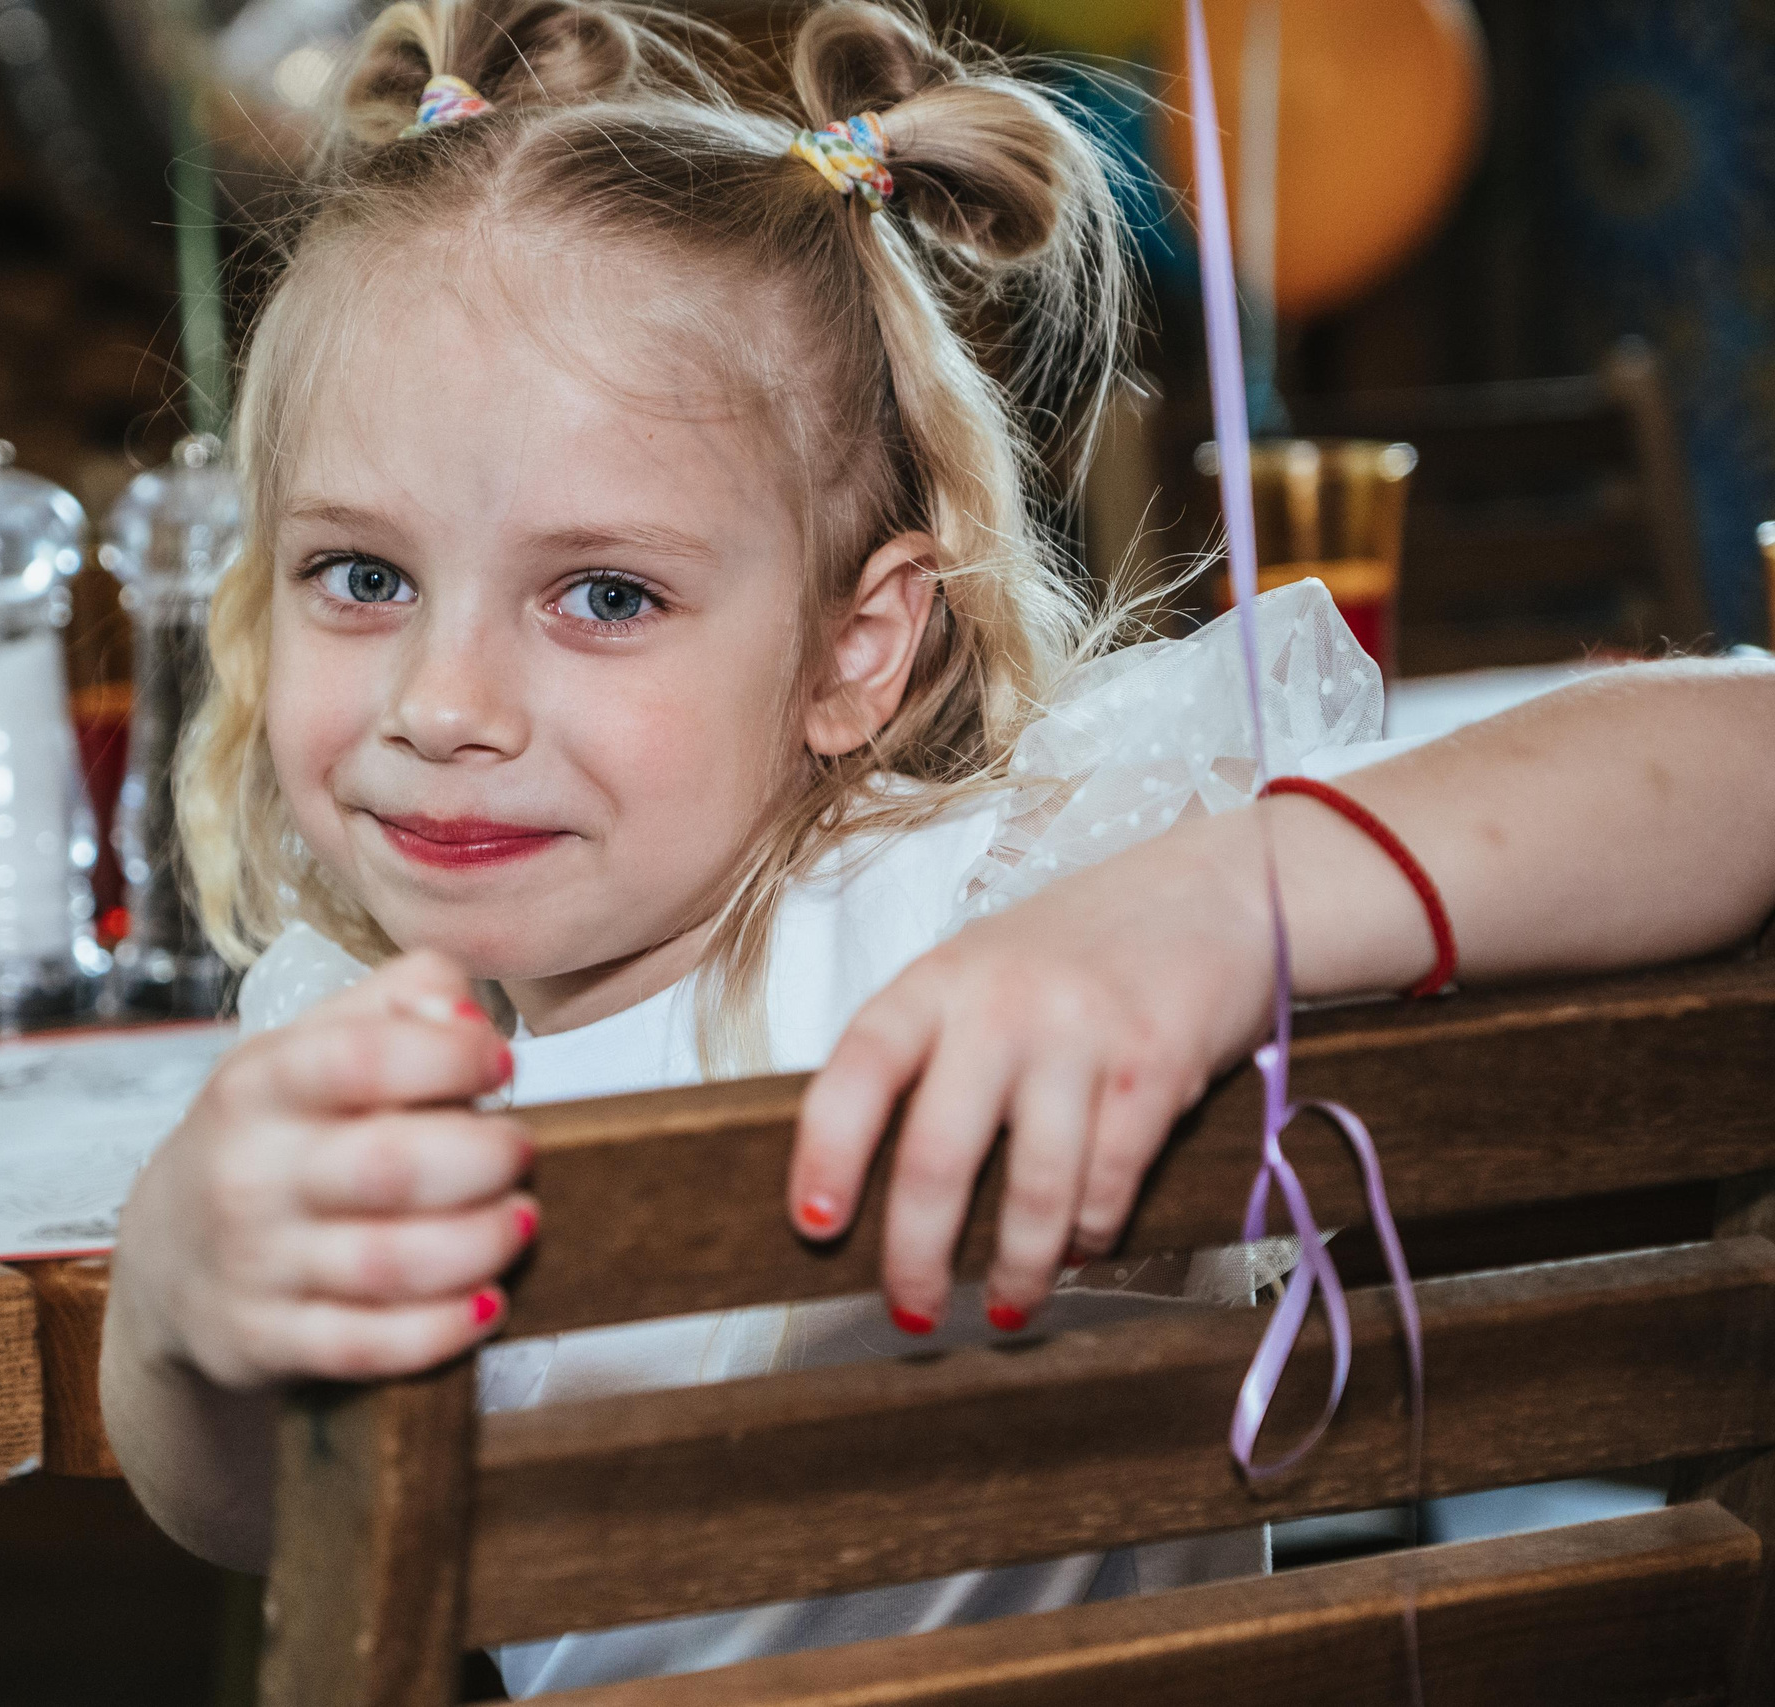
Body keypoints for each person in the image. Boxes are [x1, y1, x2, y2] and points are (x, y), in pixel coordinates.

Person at [99, 0, 1775, 1690]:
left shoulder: (979, 905)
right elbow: (255, 1510)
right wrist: (176, 1314)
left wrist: (1210, 903)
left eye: (604, 593)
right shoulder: (362, 1037)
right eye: (360, 576)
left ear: (856, 646)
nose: (440, 702)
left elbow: (1747, 753)